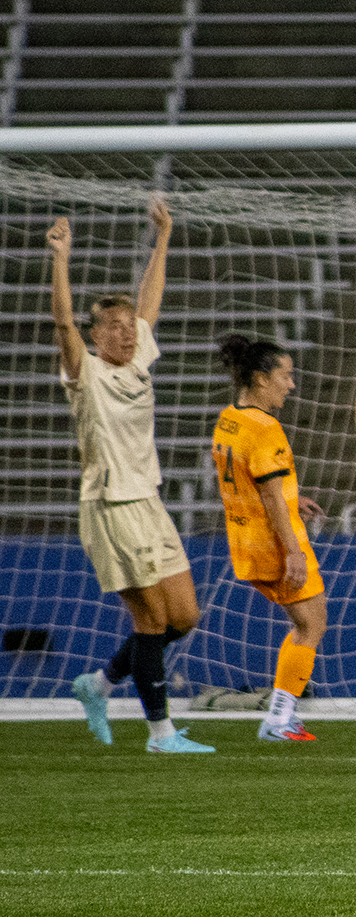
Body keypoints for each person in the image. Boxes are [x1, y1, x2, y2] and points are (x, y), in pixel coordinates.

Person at [53, 197, 214, 753]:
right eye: (113, 327)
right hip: (110, 506)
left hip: (148, 501)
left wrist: (163, 236)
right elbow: (60, 321)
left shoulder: (139, 357)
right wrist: (61, 258)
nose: (125, 333)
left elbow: (150, 300)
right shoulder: (87, 373)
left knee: (184, 617)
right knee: (149, 620)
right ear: (95, 335)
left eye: (128, 327)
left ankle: (96, 685)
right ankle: (159, 733)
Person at [211, 334, 327, 742]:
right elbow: (271, 495)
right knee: (311, 624)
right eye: (285, 375)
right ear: (261, 379)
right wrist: (292, 551)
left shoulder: (228, 418)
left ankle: (280, 717)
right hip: (276, 544)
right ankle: (279, 719)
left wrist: (296, 498)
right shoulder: (265, 428)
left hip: (244, 543)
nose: (291, 385)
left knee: (303, 624)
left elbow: (257, 484)